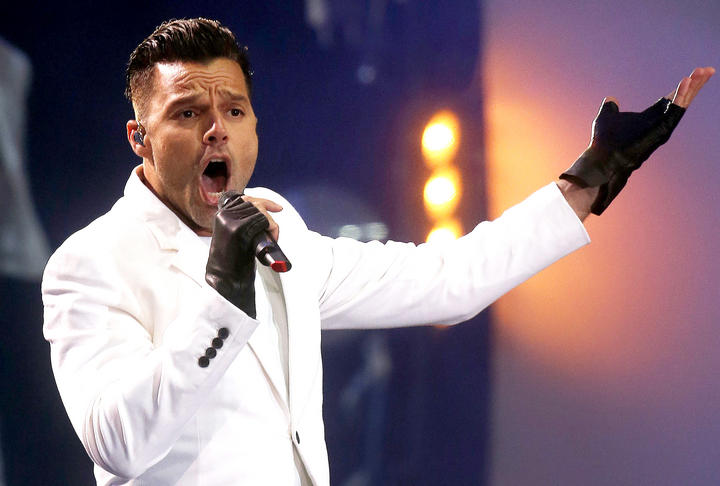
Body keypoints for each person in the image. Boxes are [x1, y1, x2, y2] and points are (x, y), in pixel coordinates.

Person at [41, 18, 713, 486]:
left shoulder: (280, 233)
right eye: (188, 113)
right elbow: (119, 444)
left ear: (255, 128)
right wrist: (223, 293)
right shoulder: (90, 264)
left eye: (235, 111)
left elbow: (446, 278)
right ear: (140, 138)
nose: (217, 129)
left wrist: (589, 178)